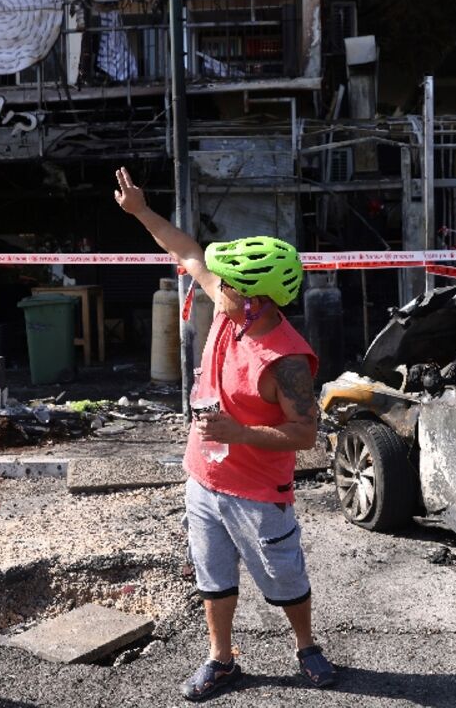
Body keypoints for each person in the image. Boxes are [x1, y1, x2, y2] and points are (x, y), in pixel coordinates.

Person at [113, 167, 336, 701]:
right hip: (203, 479)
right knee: (213, 577)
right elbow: (188, 250)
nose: (214, 286)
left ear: (257, 300)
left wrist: (238, 430)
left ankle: (306, 646)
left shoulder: (286, 361)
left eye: (229, 285)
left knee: (284, 580)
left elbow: (306, 436)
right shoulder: (229, 304)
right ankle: (222, 658)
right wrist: (141, 211)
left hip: (260, 494)